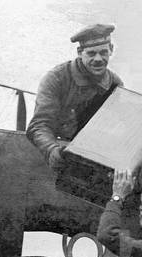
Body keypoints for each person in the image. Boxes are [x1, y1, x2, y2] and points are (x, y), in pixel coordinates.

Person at [26, 23, 124, 170]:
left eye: (103, 52)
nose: (98, 59)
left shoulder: (115, 84)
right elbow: (39, 125)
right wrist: (52, 150)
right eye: (91, 53)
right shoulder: (56, 78)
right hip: (60, 152)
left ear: (111, 50)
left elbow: (120, 128)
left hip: (94, 155)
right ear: (80, 52)